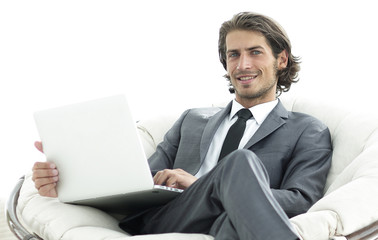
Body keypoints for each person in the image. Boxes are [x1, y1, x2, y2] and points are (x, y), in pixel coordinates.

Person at [32, 12, 332, 240]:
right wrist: (69, 177)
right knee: (240, 163)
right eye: (233, 54)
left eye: (255, 52)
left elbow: (301, 199)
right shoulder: (192, 120)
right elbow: (139, 181)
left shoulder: (308, 130)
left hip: (232, 223)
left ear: (281, 60)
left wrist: (211, 186)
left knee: (232, 211)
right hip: (171, 218)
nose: (242, 65)